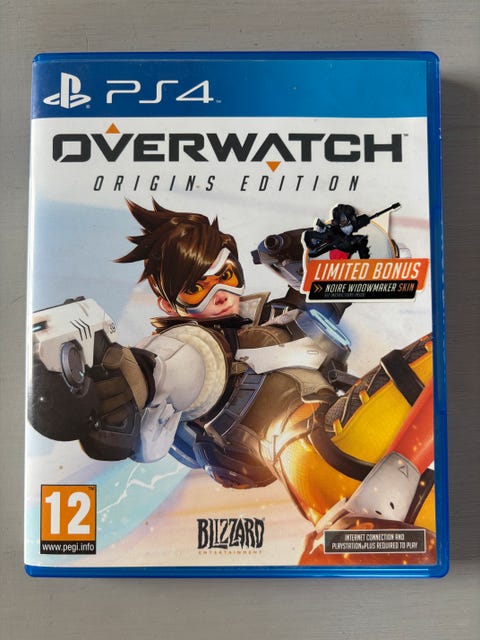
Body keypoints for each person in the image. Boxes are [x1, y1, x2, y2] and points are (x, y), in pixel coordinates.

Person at [75, 199, 434, 542]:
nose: (219, 293)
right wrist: (128, 383)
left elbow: (364, 272)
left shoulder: (281, 320)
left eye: (225, 275)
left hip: (327, 488)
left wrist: (335, 246)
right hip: (329, 447)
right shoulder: (193, 347)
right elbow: (165, 369)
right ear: (169, 305)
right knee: (443, 354)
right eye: (197, 288)